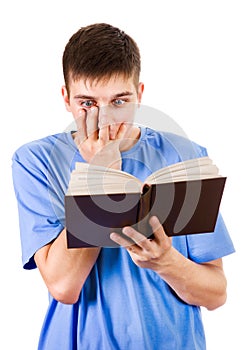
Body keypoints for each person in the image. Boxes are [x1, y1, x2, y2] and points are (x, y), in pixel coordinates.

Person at [12, 23, 235, 350]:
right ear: (66, 98)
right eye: (87, 103)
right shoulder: (36, 161)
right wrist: (99, 176)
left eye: (120, 101)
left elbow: (216, 293)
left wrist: (166, 262)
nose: (104, 120)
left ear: (140, 95)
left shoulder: (186, 157)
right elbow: (63, 285)